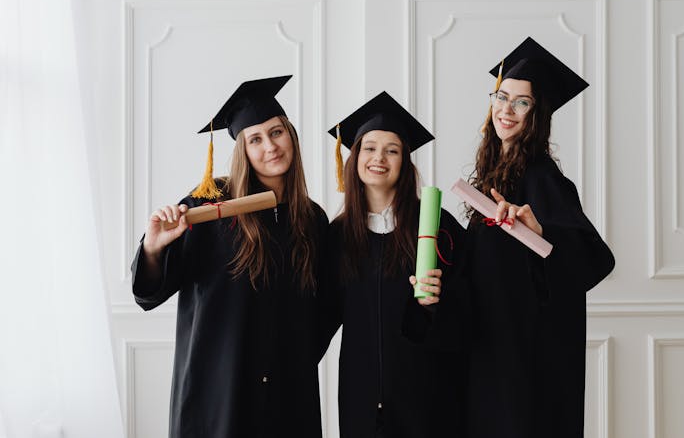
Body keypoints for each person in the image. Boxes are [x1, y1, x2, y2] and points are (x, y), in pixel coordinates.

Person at [131, 75, 329, 437]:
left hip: (287, 396)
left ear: (291, 136)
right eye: (255, 139)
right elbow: (149, 291)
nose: (270, 146)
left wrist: (292, 359)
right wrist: (154, 247)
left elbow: (324, 309)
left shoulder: (312, 220)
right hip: (218, 392)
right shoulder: (208, 207)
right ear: (243, 150)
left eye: (276, 132)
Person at [464, 37, 615, 437]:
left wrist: (542, 232)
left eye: (521, 102)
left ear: (537, 114)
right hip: (491, 353)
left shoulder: (544, 178)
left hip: (527, 366)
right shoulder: (495, 178)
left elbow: (597, 258)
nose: (506, 110)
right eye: (501, 96)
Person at [319, 92, 467, 438]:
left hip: (428, 393)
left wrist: (437, 305)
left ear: (405, 162)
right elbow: (319, 314)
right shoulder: (337, 236)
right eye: (369, 148)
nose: (379, 158)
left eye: (392, 150)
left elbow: (472, 303)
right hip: (360, 393)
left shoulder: (436, 227)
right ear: (355, 157)